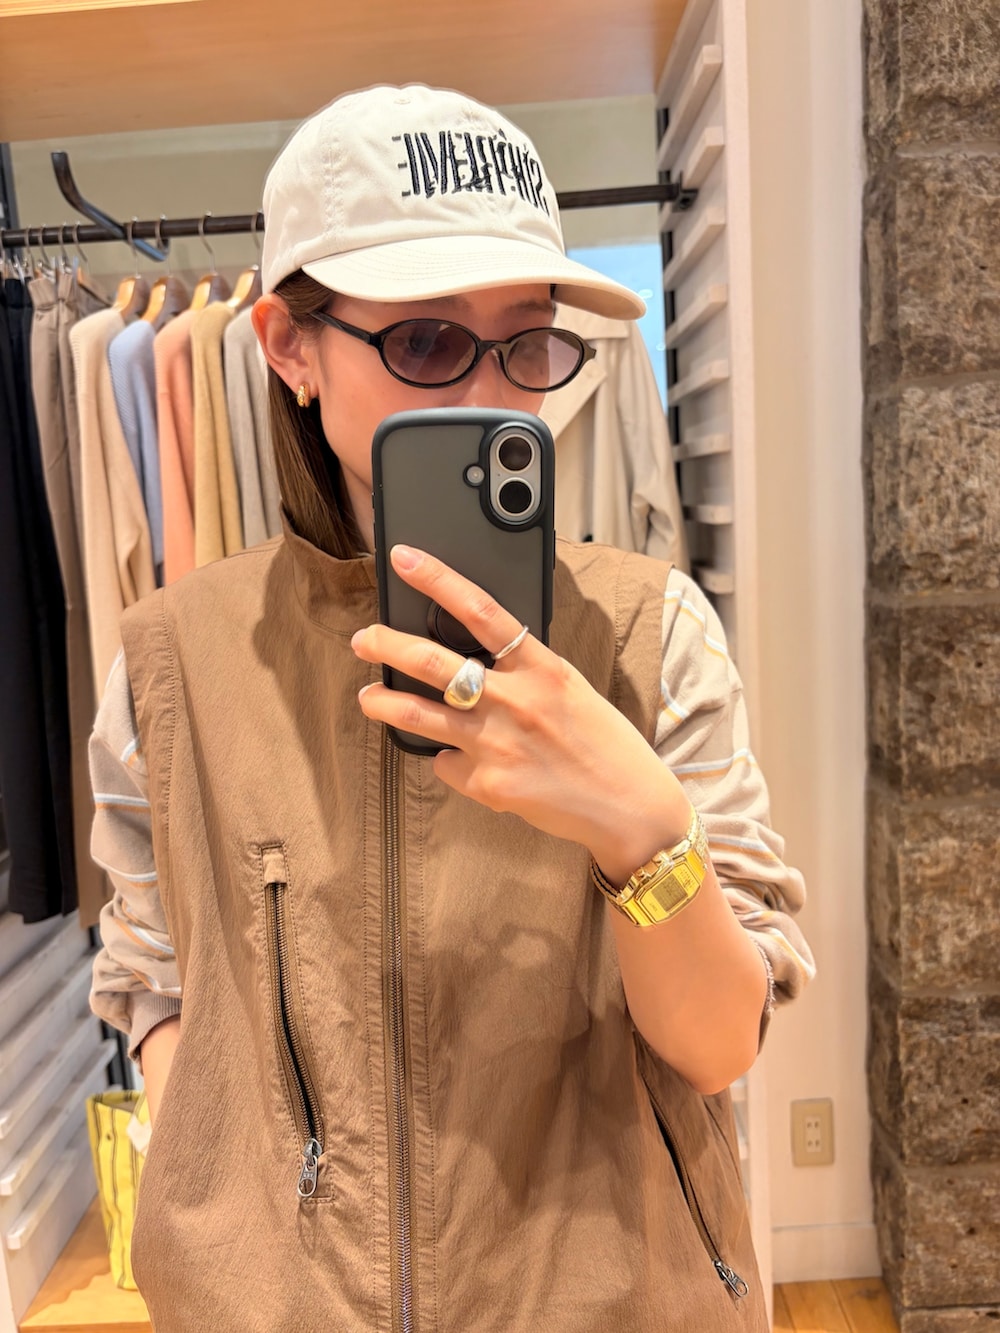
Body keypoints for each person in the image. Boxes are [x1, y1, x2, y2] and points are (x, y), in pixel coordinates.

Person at [90, 84, 815, 1333]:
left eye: (526, 342)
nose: (491, 394)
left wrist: (639, 833)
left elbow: (717, 1050)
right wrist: (223, 1220)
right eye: (426, 342)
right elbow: (155, 980)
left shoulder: (647, 634)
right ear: (289, 346)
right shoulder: (175, 661)